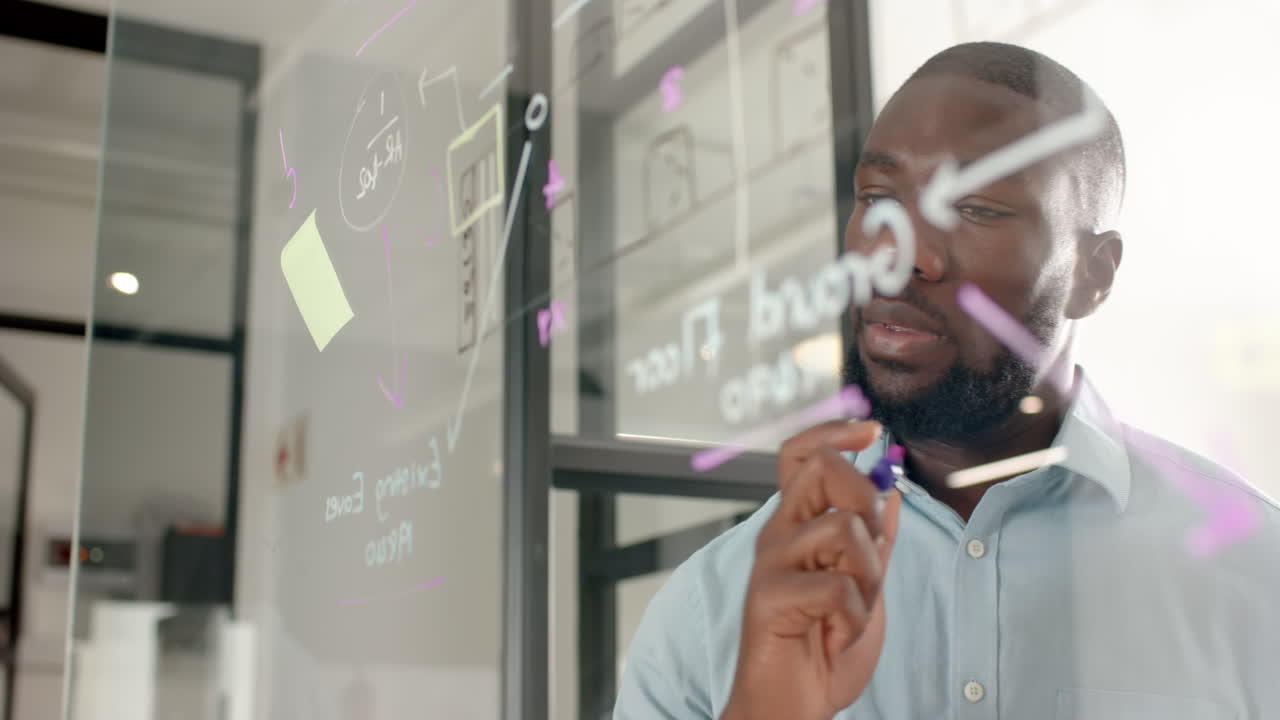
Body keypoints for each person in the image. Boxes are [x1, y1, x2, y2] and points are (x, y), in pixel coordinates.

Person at [614, 41, 1280, 719]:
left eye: (978, 209)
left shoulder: (1257, 576)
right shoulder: (716, 609)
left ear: (1093, 274)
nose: (899, 255)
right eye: (877, 197)